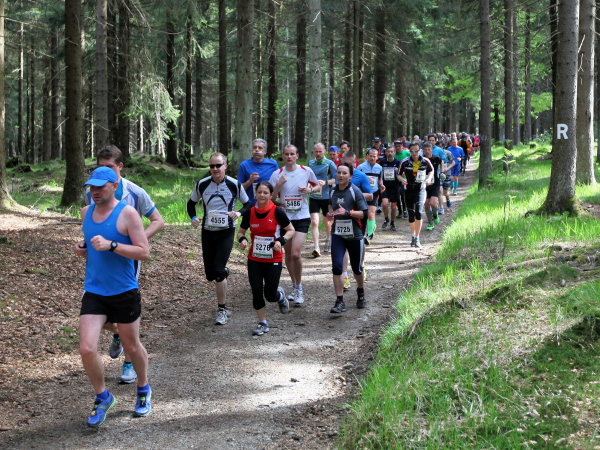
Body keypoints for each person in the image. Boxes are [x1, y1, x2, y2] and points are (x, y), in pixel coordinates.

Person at [74, 167, 152, 428]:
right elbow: (89, 244)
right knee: (87, 348)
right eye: (91, 187)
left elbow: (143, 252)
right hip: (95, 290)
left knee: (132, 346)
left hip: (124, 291)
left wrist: (113, 245)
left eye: (100, 186)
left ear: (114, 185)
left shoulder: (127, 213)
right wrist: (83, 248)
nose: (95, 191)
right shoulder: (86, 213)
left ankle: (143, 388)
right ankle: (103, 396)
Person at [86, 145, 165, 385]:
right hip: (100, 264)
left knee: (124, 308)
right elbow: (93, 223)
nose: (104, 172)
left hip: (128, 260)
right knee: (107, 320)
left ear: (120, 167)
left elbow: (158, 221)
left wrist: (135, 239)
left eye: (109, 167)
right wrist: (84, 245)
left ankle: (129, 364)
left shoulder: (135, 192)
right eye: (100, 167)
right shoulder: (92, 191)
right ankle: (120, 333)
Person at [187, 153, 252, 325]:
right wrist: (193, 217)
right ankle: (223, 271)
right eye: (212, 166)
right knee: (210, 275)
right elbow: (191, 203)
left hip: (226, 232)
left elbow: (248, 204)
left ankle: (221, 309)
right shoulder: (202, 184)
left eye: (218, 165)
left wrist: (238, 213)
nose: (215, 169)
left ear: (225, 166)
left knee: (217, 272)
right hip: (208, 231)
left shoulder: (234, 184)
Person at [237, 181, 295, 336]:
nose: (262, 195)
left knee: (270, 295)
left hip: (273, 258)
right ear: (255, 194)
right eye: (259, 192)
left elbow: (291, 230)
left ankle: (280, 297)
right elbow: (241, 231)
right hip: (254, 258)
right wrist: (243, 239)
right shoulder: (250, 212)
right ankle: (262, 322)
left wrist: (280, 241)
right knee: (256, 291)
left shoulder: (277, 212)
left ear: (270, 195)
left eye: (265, 193)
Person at [269, 144, 321, 306]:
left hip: (302, 216)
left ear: (297, 156)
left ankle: (299, 287)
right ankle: (294, 286)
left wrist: (309, 190)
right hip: (285, 218)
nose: (289, 157)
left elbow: (318, 186)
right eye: (286, 154)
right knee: (288, 254)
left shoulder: (306, 171)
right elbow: (270, 198)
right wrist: (278, 185)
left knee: (296, 254)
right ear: (283, 156)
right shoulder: (277, 174)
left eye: (292, 154)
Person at [327, 163, 369, 313]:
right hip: (337, 234)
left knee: (356, 268)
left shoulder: (355, 191)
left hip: (355, 235)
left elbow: (364, 214)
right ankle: (339, 301)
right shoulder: (332, 191)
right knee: (337, 267)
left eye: (344, 173)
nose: (341, 175)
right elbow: (330, 206)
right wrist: (330, 214)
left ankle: (361, 291)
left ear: (350, 176)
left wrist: (348, 212)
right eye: (339, 172)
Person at [339, 151, 372, 290]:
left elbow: (370, 196)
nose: (346, 167)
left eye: (349, 164)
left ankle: (361, 264)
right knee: (343, 244)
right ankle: (344, 275)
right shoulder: (340, 175)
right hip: (342, 216)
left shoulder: (361, 176)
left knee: (359, 242)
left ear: (355, 163)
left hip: (358, 215)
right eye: (344, 163)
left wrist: (354, 195)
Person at [399, 142, 434, 248]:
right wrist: (402, 180)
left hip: (420, 189)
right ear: (409, 151)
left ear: (420, 150)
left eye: (416, 151)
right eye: (412, 151)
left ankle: (417, 237)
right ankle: (413, 235)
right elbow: (398, 174)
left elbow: (431, 170)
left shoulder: (425, 161)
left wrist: (429, 179)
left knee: (418, 212)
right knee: (411, 214)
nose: (414, 153)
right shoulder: (405, 162)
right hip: (408, 190)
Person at [308, 143, 337, 256]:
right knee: (314, 222)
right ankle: (316, 247)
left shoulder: (330, 164)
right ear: (313, 152)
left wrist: (326, 182)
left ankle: (329, 238)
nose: (318, 153)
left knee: (327, 221)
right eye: (316, 151)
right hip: (314, 196)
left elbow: (337, 179)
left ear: (324, 151)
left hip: (326, 197)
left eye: (320, 151)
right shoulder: (310, 163)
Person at [237, 138, 280, 204]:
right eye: (255, 147)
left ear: (265, 151)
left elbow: (278, 183)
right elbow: (239, 189)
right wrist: (250, 181)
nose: (257, 150)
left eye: (260, 148)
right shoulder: (244, 165)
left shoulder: (273, 164)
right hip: (251, 204)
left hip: (269, 204)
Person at [356, 148, 384, 241]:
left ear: (377, 157)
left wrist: (381, 185)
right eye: (370, 156)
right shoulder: (360, 167)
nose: (372, 158)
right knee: (363, 214)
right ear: (367, 156)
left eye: (374, 156)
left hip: (374, 192)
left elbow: (380, 179)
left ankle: (369, 235)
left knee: (371, 214)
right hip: (363, 193)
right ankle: (361, 233)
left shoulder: (379, 168)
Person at [379, 145, 403, 231]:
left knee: (393, 207)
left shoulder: (398, 162)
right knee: (385, 204)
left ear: (394, 153)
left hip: (395, 187)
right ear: (386, 153)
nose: (390, 153)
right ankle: (386, 219)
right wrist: (381, 184)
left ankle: (392, 222)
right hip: (385, 187)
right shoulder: (382, 162)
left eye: (391, 152)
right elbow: (380, 175)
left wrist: (400, 175)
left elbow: (402, 174)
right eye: (388, 151)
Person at [422, 142, 444, 231]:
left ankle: (435, 214)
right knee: (427, 204)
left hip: (435, 183)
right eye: (425, 149)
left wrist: (442, 172)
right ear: (423, 150)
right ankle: (430, 222)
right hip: (425, 184)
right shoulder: (422, 159)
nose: (427, 151)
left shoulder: (436, 158)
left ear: (431, 149)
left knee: (433, 203)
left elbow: (442, 163)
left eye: (429, 149)